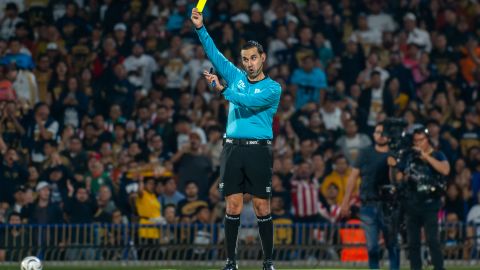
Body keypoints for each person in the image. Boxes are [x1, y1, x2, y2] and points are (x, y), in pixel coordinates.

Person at [191, 8, 282, 270]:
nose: (249, 63)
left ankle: (268, 263)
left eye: (253, 58)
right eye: (245, 59)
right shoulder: (237, 77)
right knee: (232, 205)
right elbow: (214, 54)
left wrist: (223, 91)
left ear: (262, 58)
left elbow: (251, 103)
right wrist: (200, 28)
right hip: (232, 150)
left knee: (262, 208)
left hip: (258, 151)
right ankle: (231, 263)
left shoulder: (273, 88)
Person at [340, 122, 400, 270]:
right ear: (373, 134)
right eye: (377, 132)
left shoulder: (395, 153)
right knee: (372, 247)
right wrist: (345, 203)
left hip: (389, 205)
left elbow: (397, 181)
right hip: (368, 204)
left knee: (392, 244)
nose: (380, 135)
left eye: (383, 132)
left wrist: (393, 166)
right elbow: (353, 177)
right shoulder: (365, 152)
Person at [398, 126, 450, 270]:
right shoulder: (408, 157)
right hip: (412, 204)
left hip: (430, 203)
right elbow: (397, 177)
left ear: (427, 140)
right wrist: (398, 171)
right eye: (416, 141)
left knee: (433, 240)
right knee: (413, 242)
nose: (418, 143)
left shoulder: (438, 154)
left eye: (421, 140)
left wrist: (426, 156)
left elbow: (445, 170)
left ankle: (439, 268)